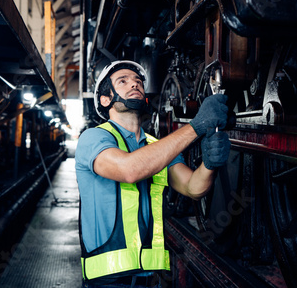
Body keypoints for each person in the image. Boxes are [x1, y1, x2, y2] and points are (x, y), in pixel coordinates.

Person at [75, 60, 231, 287]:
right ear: (105, 99)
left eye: (138, 81)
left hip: (151, 277)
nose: (135, 84)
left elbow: (193, 188)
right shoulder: (94, 138)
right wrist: (197, 126)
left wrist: (210, 165)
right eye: (123, 81)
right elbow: (130, 170)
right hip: (108, 279)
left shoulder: (155, 146)